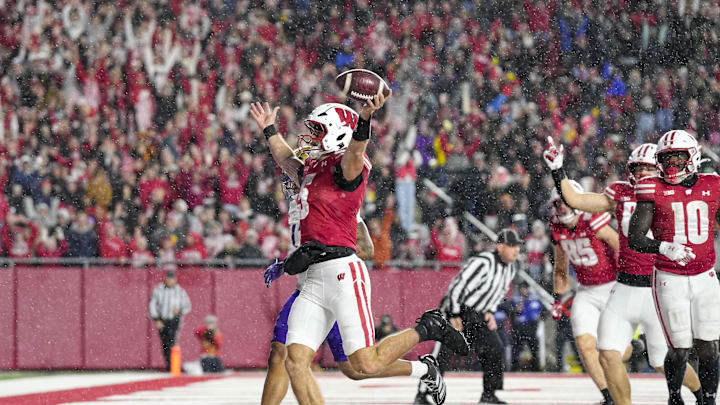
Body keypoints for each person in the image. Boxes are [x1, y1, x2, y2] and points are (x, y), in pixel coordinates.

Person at [250, 95, 468, 405]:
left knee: (364, 364)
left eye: (317, 130)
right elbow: (287, 160)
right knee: (294, 360)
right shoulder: (313, 166)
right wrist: (270, 130)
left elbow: (356, 150)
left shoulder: (350, 166)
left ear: (337, 132)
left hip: (341, 272)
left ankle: (428, 328)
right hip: (311, 279)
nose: (310, 136)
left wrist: (364, 117)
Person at [544, 139, 702, 405]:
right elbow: (577, 199)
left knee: (662, 361)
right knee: (605, 353)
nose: (640, 174)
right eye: (637, 168)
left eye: (647, 168)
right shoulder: (622, 192)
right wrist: (558, 170)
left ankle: (702, 396)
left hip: (657, 287)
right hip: (625, 287)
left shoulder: (676, 193)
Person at [261, 147, 416, 405]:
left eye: (294, 176)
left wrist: (322, 249)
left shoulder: (334, 201)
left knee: (355, 367)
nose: (289, 182)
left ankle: (421, 369)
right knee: (283, 354)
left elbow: (366, 249)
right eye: (287, 177)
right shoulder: (300, 207)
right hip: (308, 287)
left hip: (335, 283)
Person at [628, 130, 720, 405]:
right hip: (670, 276)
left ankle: (708, 399)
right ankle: (673, 396)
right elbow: (635, 238)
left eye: (678, 156)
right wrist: (663, 246)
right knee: (680, 348)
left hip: (705, 274)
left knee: (710, 345)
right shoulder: (651, 188)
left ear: (692, 156)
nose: (672, 163)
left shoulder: (712, 184)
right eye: (666, 157)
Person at [415, 228, 521, 405]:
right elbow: (458, 286)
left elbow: (496, 293)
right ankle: (422, 394)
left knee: (494, 348)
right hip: (458, 309)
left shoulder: (510, 268)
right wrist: (454, 314)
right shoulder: (483, 262)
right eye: (512, 246)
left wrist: (489, 311)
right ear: (500, 247)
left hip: (478, 314)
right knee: (442, 354)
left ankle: (489, 394)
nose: (516, 250)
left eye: (517, 246)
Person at [546, 181, 619, 405]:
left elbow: (622, 247)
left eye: (565, 202)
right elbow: (560, 268)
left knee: (612, 348)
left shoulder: (592, 220)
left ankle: (635, 348)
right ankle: (608, 397)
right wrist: (558, 298)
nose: (562, 208)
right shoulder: (557, 228)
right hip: (586, 290)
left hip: (613, 288)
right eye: (557, 203)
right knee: (585, 346)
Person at [149, 270, 191, 371]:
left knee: (172, 342)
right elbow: (152, 305)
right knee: (165, 343)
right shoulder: (158, 289)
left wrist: (180, 310)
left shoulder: (180, 291)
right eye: (168, 278)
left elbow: (187, 306)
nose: (170, 280)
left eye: (172, 278)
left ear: (175, 279)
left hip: (174, 320)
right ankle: (169, 364)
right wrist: (156, 319)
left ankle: (174, 365)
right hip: (162, 319)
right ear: (165, 278)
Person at [510, 281, 542, 372]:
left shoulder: (535, 298)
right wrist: (515, 310)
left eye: (525, 288)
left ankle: (535, 368)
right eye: (522, 289)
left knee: (534, 348)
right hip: (519, 327)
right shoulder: (515, 299)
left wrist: (539, 318)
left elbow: (542, 310)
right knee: (517, 349)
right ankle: (514, 368)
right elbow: (510, 312)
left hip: (531, 326)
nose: (524, 291)